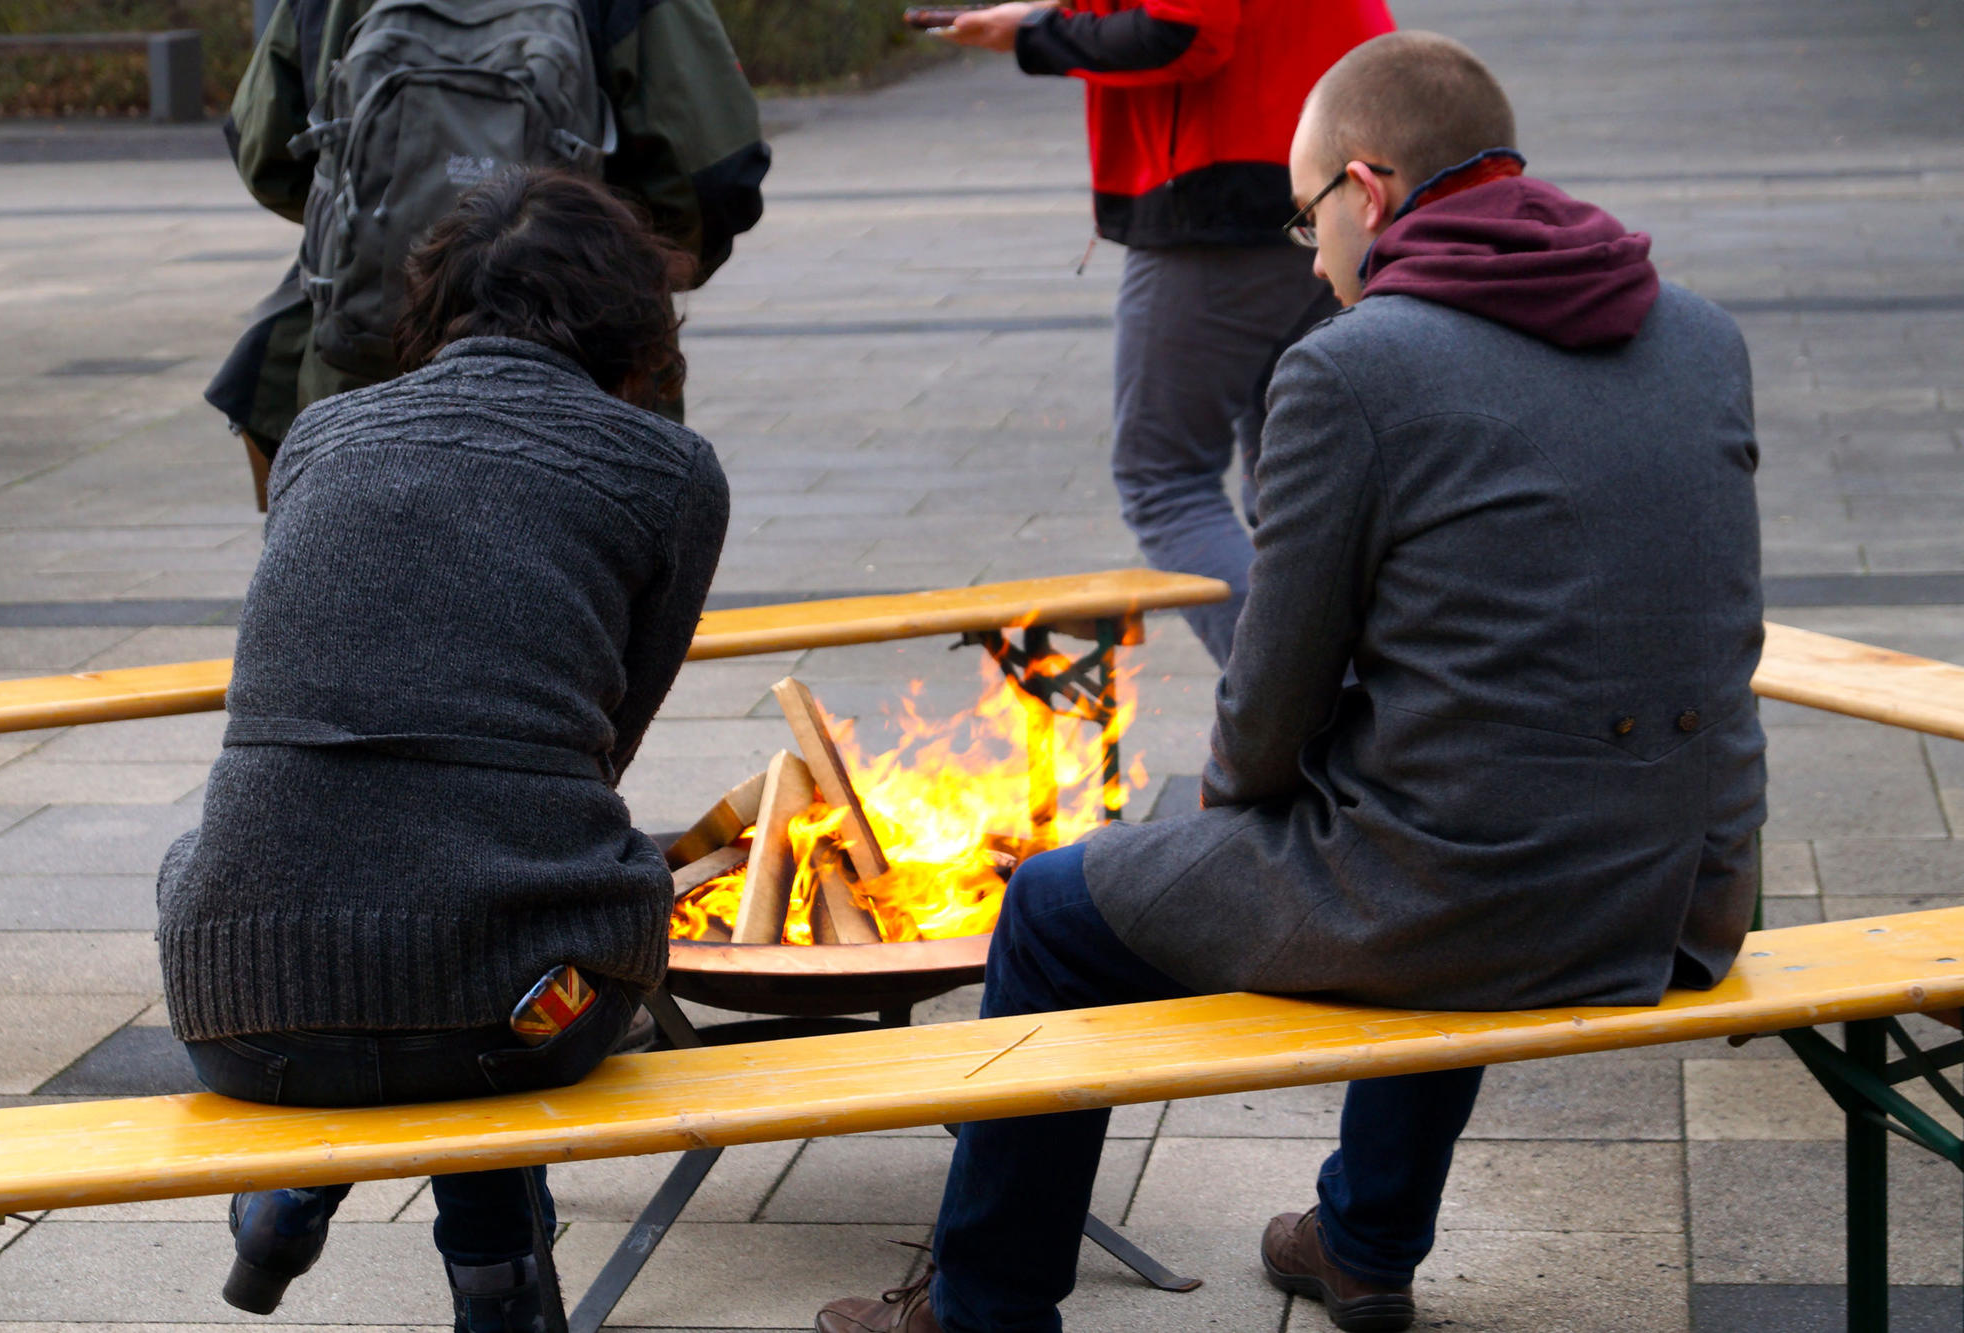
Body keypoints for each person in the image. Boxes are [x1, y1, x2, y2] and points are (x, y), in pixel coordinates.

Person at [818, 30, 1766, 1333]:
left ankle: (982, 1308)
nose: (1308, 255)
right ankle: (1364, 1242)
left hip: (1476, 894)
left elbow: (1269, 699)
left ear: (1367, 192)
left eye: (1304, 213)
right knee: (1447, 811)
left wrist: (1234, 817)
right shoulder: (1702, 336)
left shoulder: (1352, 366)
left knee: (1049, 904)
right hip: (1678, 891)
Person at [157, 168, 728, 1333]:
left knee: (374, 883)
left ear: (430, 306)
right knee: (508, 917)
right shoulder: (665, 469)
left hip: (238, 1008)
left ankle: (298, 1187)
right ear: (635, 316)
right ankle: (498, 1277)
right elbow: (601, 751)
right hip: (531, 1016)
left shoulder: (321, 433)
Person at [941, 0, 1395, 664]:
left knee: (1166, 481)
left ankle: (1310, 713)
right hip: (1341, 174)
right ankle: (1383, 716)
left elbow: (1186, 29)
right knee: (1302, 484)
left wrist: (1038, 35)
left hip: (1228, 191)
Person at [205, 0, 768, 506]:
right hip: (584, 381)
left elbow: (264, 154)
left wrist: (391, 238)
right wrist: (619, 258)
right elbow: (717, 178)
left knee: (352, 581)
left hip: (364, 374)